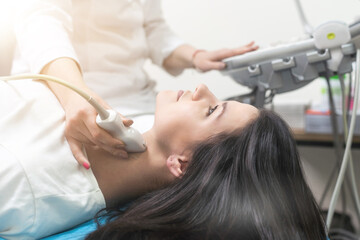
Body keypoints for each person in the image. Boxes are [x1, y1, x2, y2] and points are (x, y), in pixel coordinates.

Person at [0, 79, 326, 239]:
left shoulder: (21, 184)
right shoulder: (137, 128)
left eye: (211, 110)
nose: (201, 87)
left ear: (181, 164)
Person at [11, 0, 259, 169]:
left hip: (136, 100)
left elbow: (154, 30)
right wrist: (75, 95)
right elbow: (40, 21)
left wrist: (195, 56)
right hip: (63, 92)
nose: (201, 89)